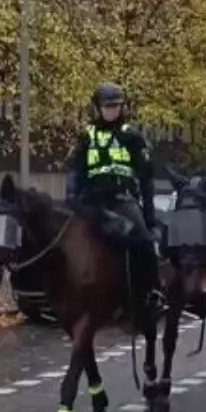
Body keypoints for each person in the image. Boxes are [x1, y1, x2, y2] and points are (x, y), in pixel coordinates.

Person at [66, 83, 163, 316]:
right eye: (107, 107)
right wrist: (71, 195)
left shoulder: (132, 136)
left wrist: (148, 215)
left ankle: (151, 292)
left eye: (116, 107)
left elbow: (146, 178)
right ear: (97, 109)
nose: (111, 111)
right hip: (91, 202)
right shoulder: (85, 137)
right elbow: (75, 170)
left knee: (144, 243)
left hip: (122, 200)